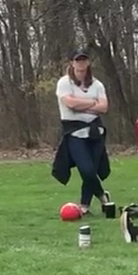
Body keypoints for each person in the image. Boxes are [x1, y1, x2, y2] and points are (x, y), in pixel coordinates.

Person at [52, 50, 110, 213]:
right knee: (86, 170)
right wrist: (93, 103)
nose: (81, 63)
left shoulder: (97, 85)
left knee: (92, 169)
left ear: (88, 62)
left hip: (95, 132)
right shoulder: (64, 83)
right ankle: (102, 196)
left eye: (84, 60)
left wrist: (81, 105)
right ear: (72, 63)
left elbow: (104, 107)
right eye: (78, 60)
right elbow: (70, 104)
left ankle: (85, 205)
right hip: (74, 132)